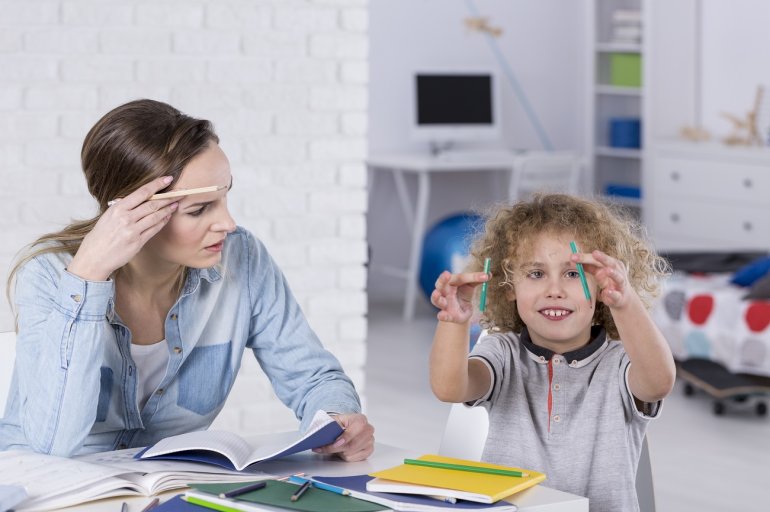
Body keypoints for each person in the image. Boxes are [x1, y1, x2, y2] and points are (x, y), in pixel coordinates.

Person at [0, 99, 374, 461]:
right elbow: (53, 446)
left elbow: (311, 375)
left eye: (226, 198)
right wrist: (88, 278)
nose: (227, 224)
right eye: (199, 209)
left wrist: (338, 419)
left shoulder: (242, 259)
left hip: (165, 487)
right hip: (49, 488)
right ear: (132, 212)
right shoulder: (50, 275)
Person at [429, 193, 676, 512]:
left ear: (602, 286)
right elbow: (449, 388)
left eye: (573, 274)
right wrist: (455, 321)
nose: (554, 290)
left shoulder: (620, 362)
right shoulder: (503, 352)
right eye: (536, 274)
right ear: (509, 287)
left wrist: (625, 302)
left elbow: (658, 382)